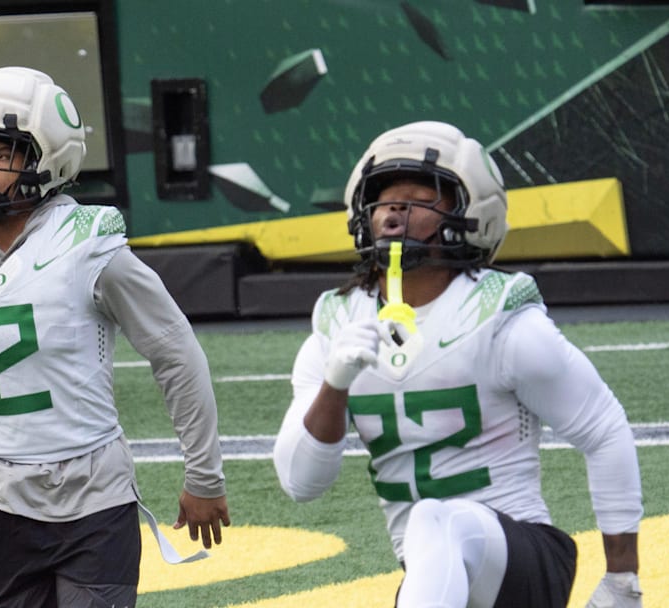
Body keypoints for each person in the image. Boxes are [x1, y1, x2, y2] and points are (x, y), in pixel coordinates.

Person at [0, 66, 230, 607]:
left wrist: (203, 474)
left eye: (1, 156)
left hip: (94, 498)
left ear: (49, 158)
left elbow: (175, 352)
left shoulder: (87, 244)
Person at [272, 121, 644, 608]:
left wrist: (622, 583)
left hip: (524, 559)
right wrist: (335, 384)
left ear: (472, 214)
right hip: (435, 574)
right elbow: (301, 483)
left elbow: (604, 428)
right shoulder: (338, 324)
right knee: (432, 529)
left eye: (422, 196)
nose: (396, 210)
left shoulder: (499, 319)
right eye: (385, 197)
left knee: (434, 518)